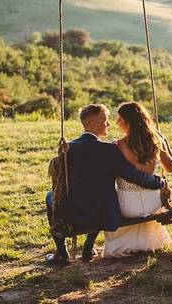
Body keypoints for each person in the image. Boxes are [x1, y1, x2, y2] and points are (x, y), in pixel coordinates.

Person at [45, 103, 165, 265]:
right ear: (92, 124)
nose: (108, 124)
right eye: (105, 121)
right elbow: (134, 176)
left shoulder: (69, 148)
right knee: (100, 194)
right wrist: (159, 181)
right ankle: (88, 246)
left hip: (74, 217)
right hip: (104, 215)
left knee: (51, 196)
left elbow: (61, 184)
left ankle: (62, 253)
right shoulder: (109, 150)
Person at [102, 101, 172, 257]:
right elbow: (171, 167)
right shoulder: (155, 141)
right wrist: (164, 142)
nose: (116, 122)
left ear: (128, 123)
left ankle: (124, 245)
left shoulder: (119, 145)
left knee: (109, 200)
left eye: (119, 119)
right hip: (153, 203)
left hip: (127, 207)